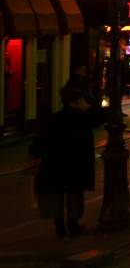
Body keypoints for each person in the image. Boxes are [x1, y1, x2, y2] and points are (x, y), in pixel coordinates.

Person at [28, 87, 106, 237]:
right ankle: (73, 224)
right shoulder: (84, 119)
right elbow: (101, 116)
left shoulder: (54, 118)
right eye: (82, 100)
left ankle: (60, 227)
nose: (85, 103)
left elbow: (41, 139)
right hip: (75, 164)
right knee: (74, 194)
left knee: (57, 194)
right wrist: (91, 104)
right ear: (73, 103)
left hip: (55, 164)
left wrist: (34, 153)